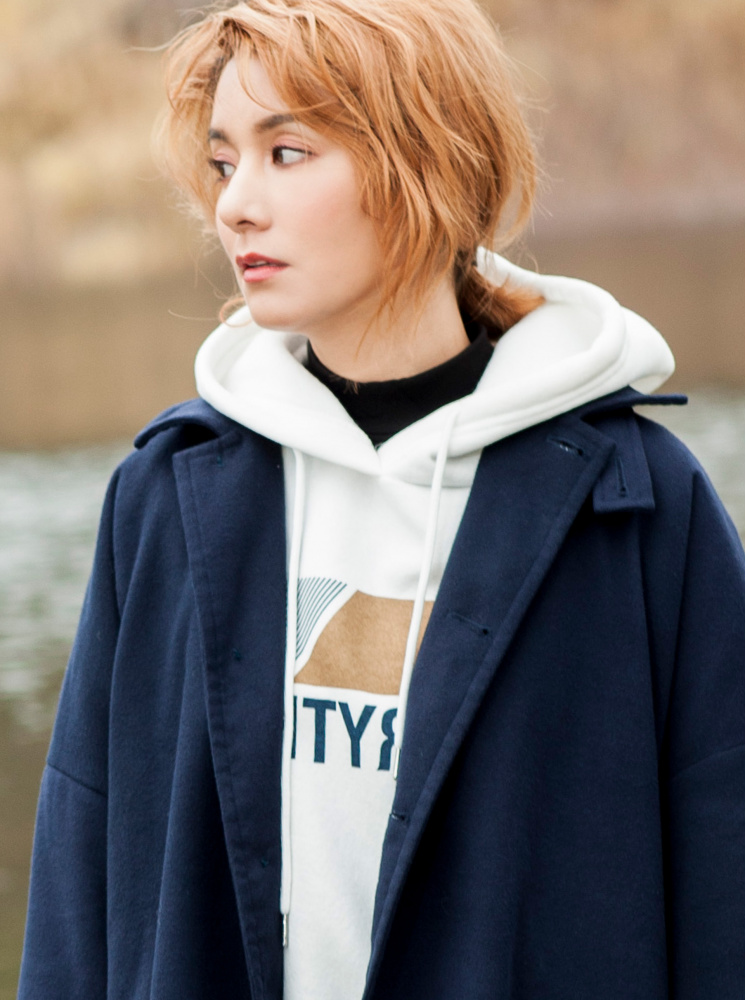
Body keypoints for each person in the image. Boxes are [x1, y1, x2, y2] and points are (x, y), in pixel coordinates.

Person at [19, 0, 743, 997]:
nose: (234, 205)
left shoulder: (638, 504)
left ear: (425, 160)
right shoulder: (163, 500)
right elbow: (79, 882)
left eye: (287, 152)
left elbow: (722, 887)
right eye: (224, 161)